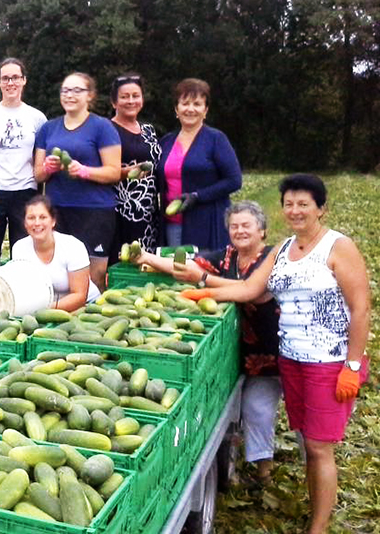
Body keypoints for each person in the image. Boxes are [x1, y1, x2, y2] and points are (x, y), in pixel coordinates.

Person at [180, 175, 370, 534]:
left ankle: (319, 526)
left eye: (304, 204)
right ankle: (316, 509)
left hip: (328, 362)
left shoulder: (337, 246)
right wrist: (201, 288)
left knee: (318, 447)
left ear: (320, 208)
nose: (295, 210)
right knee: (311, 444)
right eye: (289, 204)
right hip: (291, 359)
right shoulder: (283, 249)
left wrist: (353, 364)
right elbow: (250, 287)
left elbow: (361, 308)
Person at [137, 200, 281, 484]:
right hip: (252, 352)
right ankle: (264, 470)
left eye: (246, 226)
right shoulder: (226, 257)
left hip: (282, 347)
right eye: (234, 226)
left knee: (306, 419)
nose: (239, 231)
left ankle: (314, 460)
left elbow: (250, 291)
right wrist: (147, 257)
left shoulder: (271, 259)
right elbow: (185, 266)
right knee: (257, 408)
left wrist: (203, 284)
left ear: (262, 230)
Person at [34, 72, 122, 291]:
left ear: (89, 95)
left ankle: (95, 320)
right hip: (58, 210)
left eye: (76, 90)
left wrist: (85, 171)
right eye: (65, 90)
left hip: (94, 211)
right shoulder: (48, 128)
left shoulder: (102, 127)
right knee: (59, 273)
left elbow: (114, 172)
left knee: (95, 275)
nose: (69, 95)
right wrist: (48, 168)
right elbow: (38, 175)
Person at [0, 58, 47, 273]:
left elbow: (39, 163)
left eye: (15, 77)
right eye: (5, 78)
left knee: (24, 257)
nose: (10, 82)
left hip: (25, 194)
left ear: (24, 81)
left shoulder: (37, 118)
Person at [157, 78, 242, 249]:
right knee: (176, 272)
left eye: (197, 104)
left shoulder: (216, 139)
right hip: (172, 223)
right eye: (185, 103)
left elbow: (234, 180)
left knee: (202, 273)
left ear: (205, 110)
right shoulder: (166, 142)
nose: (190, 109)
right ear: (176, 108)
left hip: (208, 222)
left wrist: (198, 196)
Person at [11, 195, 99, 312]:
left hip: (86, 306)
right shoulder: (19, 248)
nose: (37, 223)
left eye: (43, 217)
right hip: (45, 309)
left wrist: (43, 309)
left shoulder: (73, 246)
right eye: (31, 218)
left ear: (53, 221)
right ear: (25, 223)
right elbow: (24, 290)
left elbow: (79, 296)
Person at [108, 73, 162, 262]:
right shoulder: (107, 130)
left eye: (135, 96)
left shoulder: (148, 129)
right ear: (114, 102)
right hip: (123, 210)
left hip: (149, 209)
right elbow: (103, 169)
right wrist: (128, 173)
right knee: (124, 261)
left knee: (148, 262)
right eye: (124, 97)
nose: (131, 101)